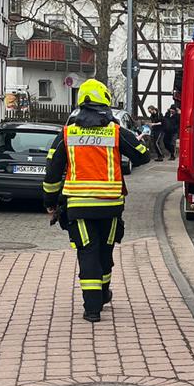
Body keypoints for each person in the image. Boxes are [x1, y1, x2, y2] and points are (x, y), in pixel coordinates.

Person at [42, 79, 151, 321]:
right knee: (105, 250)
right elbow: (144, 157)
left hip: (79, 206)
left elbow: (51, 173)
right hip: (110, 205)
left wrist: (50, 201)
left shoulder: (67, 134)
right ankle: (102, 294)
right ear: (105, 102)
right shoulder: (115, 132)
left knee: (87, 251)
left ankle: (92, 310)